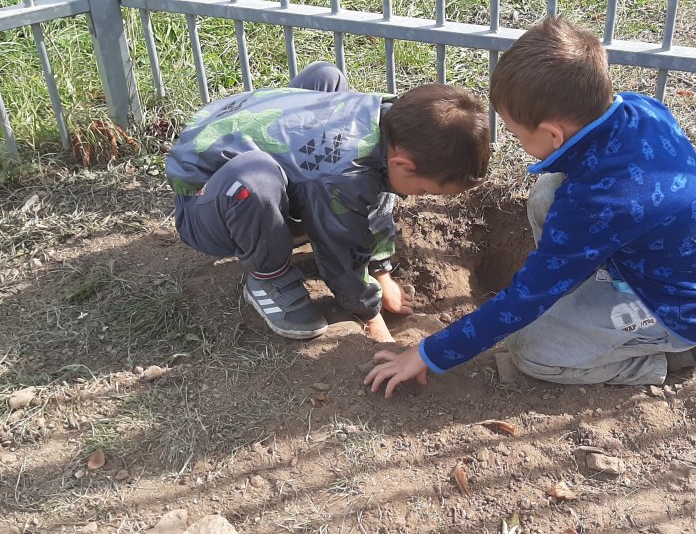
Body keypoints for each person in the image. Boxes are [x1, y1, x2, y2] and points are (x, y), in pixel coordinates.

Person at [365, 16, 696, 396]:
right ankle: (578, 286)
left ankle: (666, 358)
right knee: (547, 192)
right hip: (664, 260)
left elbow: (527, 298)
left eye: (516, 133)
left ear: (552, 134)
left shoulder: (597, 202)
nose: (515, 140)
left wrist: (429, 353)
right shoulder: (640, 110)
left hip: (669, 307)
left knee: (530, 350)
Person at [167, 62, 489, 342]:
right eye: (425, 192)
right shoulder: (344, 176)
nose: (419, 197)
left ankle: (286, 207)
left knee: (326, 77)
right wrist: (369, 312)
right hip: (203, 198)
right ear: (403, 164)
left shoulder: (389, 119)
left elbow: (375, 198)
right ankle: (269, 280)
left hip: (232, 128)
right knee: (256, 179)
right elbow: (340, 248)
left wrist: (381, 273)